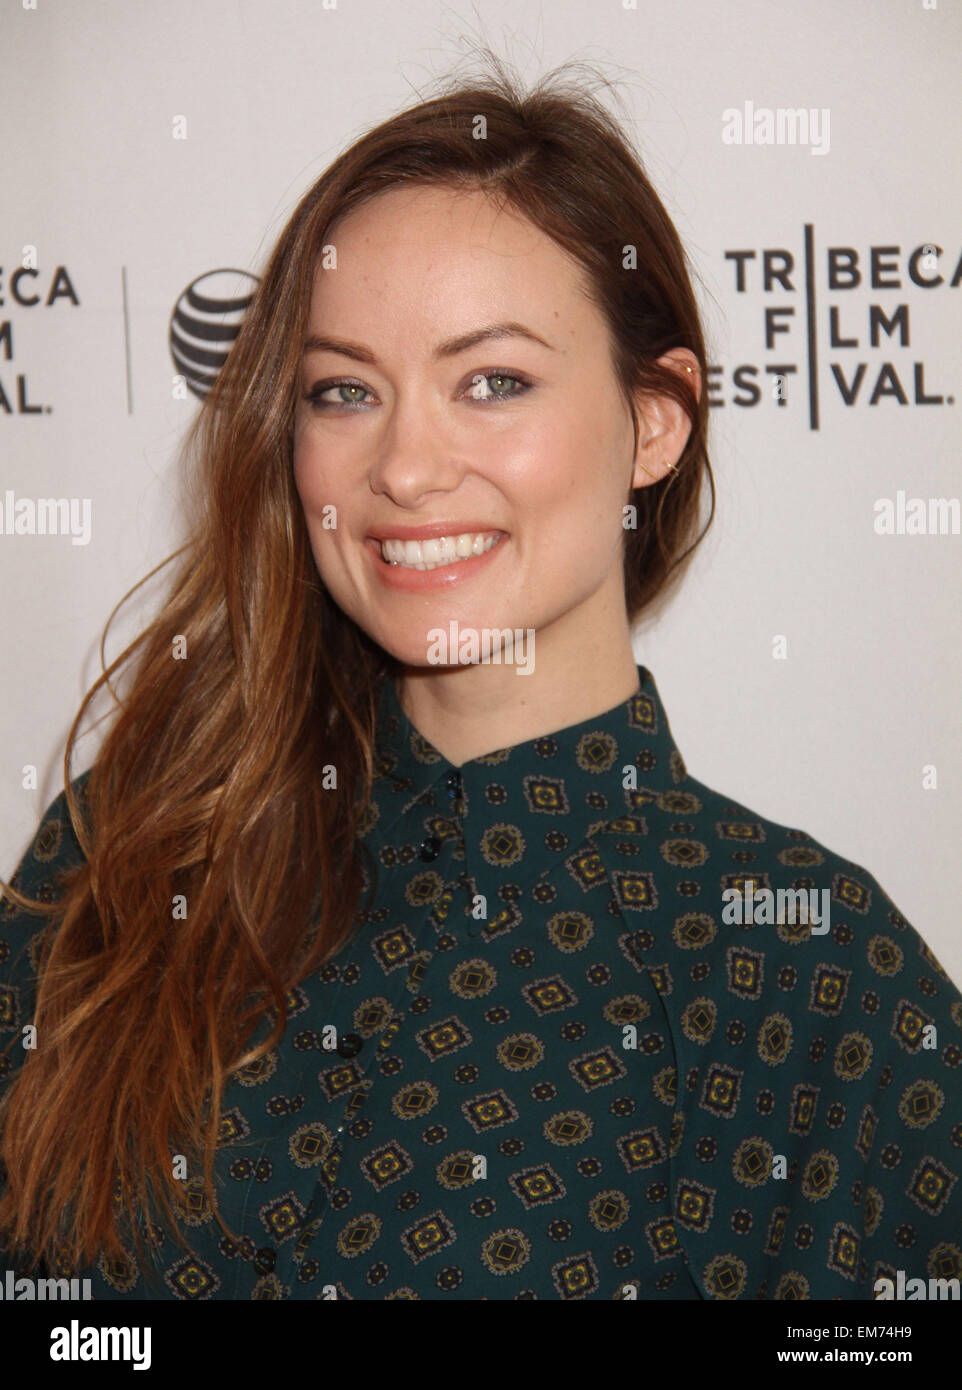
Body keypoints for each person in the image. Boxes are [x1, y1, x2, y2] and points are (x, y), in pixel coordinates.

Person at [1, 57, 959, 1302]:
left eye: (491, 382)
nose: (403, 465)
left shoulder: (814, 975)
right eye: (344, 391)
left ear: (655, 420)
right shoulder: (121, 857)